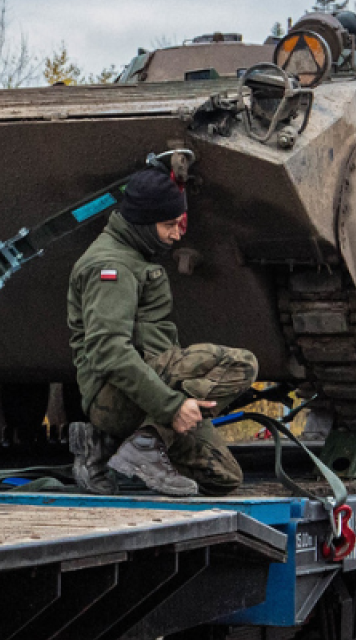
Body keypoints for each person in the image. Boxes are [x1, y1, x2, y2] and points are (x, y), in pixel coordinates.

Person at [66, 168, 255, 497]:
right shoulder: (112, 267)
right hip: (114, 395)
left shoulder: (135, 258)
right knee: (242, 364)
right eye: (168, 225)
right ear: (142, 221)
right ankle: (143, 443)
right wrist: (172, 408)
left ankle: (113, 444)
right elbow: (109, 351)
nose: (176, 235)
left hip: (146, 391)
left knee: (223, 477)